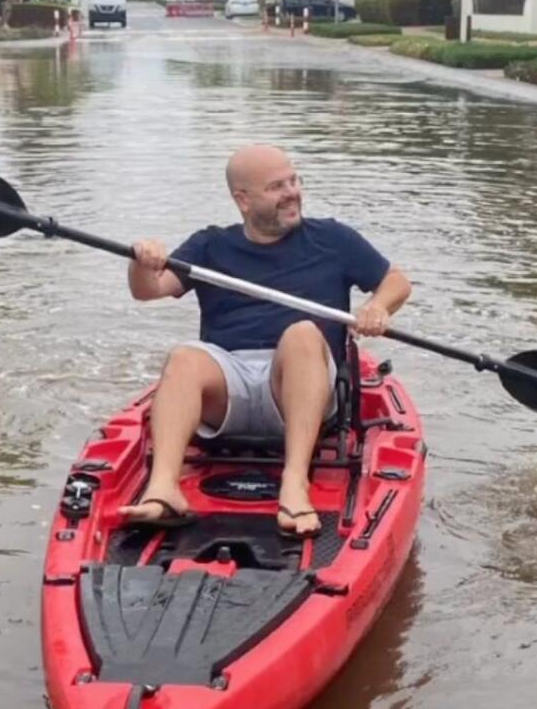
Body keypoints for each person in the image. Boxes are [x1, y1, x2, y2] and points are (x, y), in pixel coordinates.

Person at [121, 143, 412, 537]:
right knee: (184, 357)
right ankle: (162, 489)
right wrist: (141, 263)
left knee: (302, 333)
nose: (292, 192)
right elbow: (148, 290)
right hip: (229, 386)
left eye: (294, 180)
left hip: (300, 385)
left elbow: (397, 281)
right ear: (243, 200)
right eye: (277, 186)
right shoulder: (210, 245)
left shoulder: (333, 239)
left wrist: (378, 307)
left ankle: (295, 484)